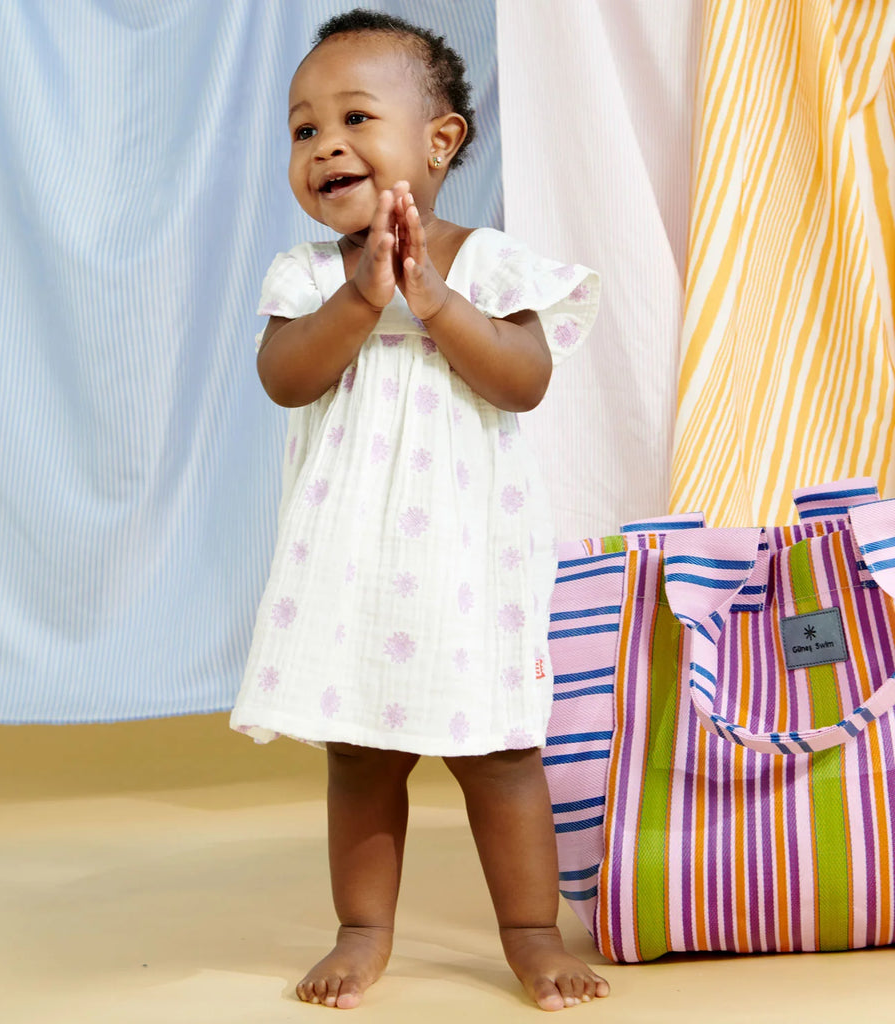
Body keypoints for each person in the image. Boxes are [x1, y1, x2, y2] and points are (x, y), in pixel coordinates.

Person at [230, 8, 608, 1012]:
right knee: (358, 748)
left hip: (468, 561)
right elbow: (284, 378)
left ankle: (529, 930)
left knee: (500, 750)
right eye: (303, 130)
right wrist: (361, 299)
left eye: (355, 116)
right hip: (347, 559)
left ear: (440, 142)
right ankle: (362, 926)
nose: (325, 146)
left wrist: (433, 300)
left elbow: (523, 379)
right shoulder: (307, 277)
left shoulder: (487, 263)